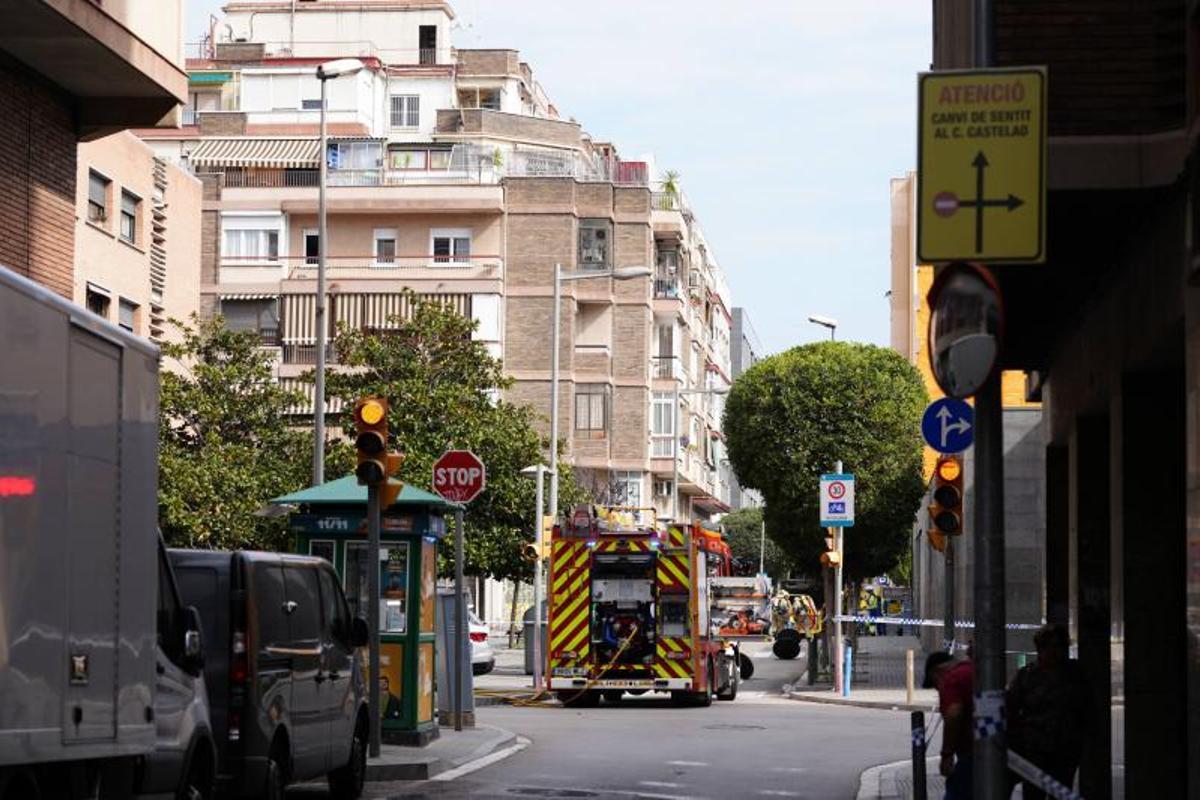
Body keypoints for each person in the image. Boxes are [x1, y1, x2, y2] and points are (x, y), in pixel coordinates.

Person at [1006, 624, 1088, 799]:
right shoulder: (1027, 675)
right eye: (1048, 646)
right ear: (1039, 648)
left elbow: (1086, 709)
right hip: (1034, 749)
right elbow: (1011, 708)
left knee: (1060, 791)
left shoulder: (1074, 674)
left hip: (1065, 748)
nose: (1053, 651)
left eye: (1058, 646)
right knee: (1033, 793)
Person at [924, 650, 974, 799]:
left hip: (973, 750)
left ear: (937, 672)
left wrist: (947, 754)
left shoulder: (952, 679)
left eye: (935, 684)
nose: (938, 689)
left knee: (957, 791)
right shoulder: (971, 669)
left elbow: (953, 713)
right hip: (993, 747)